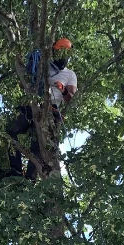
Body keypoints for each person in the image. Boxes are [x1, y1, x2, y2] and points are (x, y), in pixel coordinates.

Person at [6, 38, 77, 180]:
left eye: (64, 54)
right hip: (33, 104)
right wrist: (30, 69)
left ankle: (30, 179)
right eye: (59, 53)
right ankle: (16, 168)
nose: (61, 57)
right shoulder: (43, 66)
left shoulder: (70, 74)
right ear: (54, 52)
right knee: (11, 131)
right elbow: (23, 84)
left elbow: (71, 99)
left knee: (37, 145)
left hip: (51, 110)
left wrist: (63, 90)